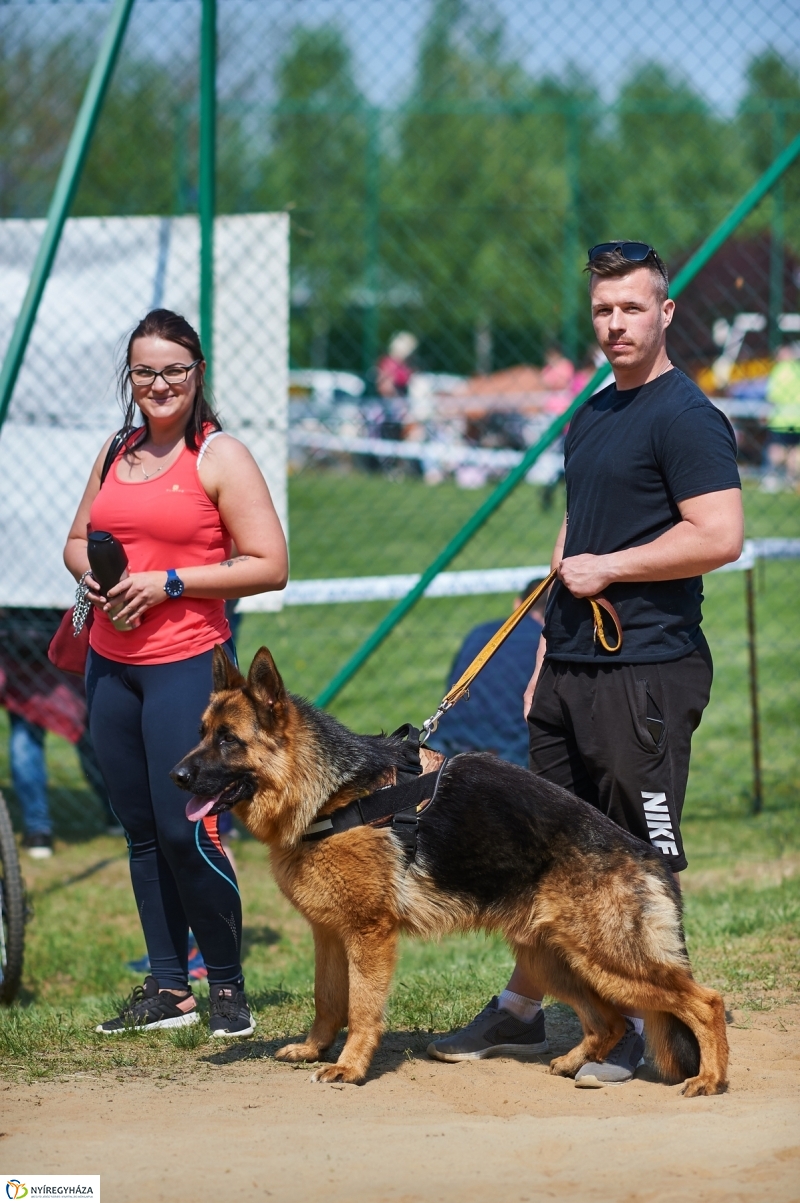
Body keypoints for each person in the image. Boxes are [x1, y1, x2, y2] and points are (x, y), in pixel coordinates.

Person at [428, 240, 743, 1086]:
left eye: (632, 308)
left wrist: (612, 568)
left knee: (639, 857)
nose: (615, 324)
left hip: (644, 671)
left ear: (666, 313)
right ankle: (525, 1010)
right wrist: (542, 645)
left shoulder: (685, 415)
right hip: (570, 662)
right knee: (546, 857)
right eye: (604, 310)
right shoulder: (595, 411)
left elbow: (718, 534)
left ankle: (656, 1025)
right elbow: (578, 530)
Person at [64, 308, 288, 1037]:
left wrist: (170, 583)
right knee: (137, 828)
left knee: (183, 827)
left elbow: (269, 564)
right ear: (129, 378)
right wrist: (93, 582)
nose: (158, 384)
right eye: (144, 371)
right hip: (110, 666)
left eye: (173, 370)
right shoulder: (116, 451)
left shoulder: (219, 456)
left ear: (196, 374)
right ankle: (168, 987)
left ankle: (225, 987)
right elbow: (77, 541)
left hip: (185, 666)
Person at [0, 607, 118, 857]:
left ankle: (116, 815)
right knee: (24, 742)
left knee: (92, 746)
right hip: (15, 650)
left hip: (63, 646)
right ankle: (37, 828)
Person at [426, 579, 547, 766]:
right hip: (509, 750)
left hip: (449, 735)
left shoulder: (481, 632)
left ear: (518, 604)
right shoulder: (547, 642)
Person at [763, 344, 800, 491]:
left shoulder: (778, 370)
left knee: (777, 447)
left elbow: (772, 395)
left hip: (781, 417)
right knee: (795, 449)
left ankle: (773, 477)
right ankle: (792, 480)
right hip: (797, 418)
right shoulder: (798, 369)